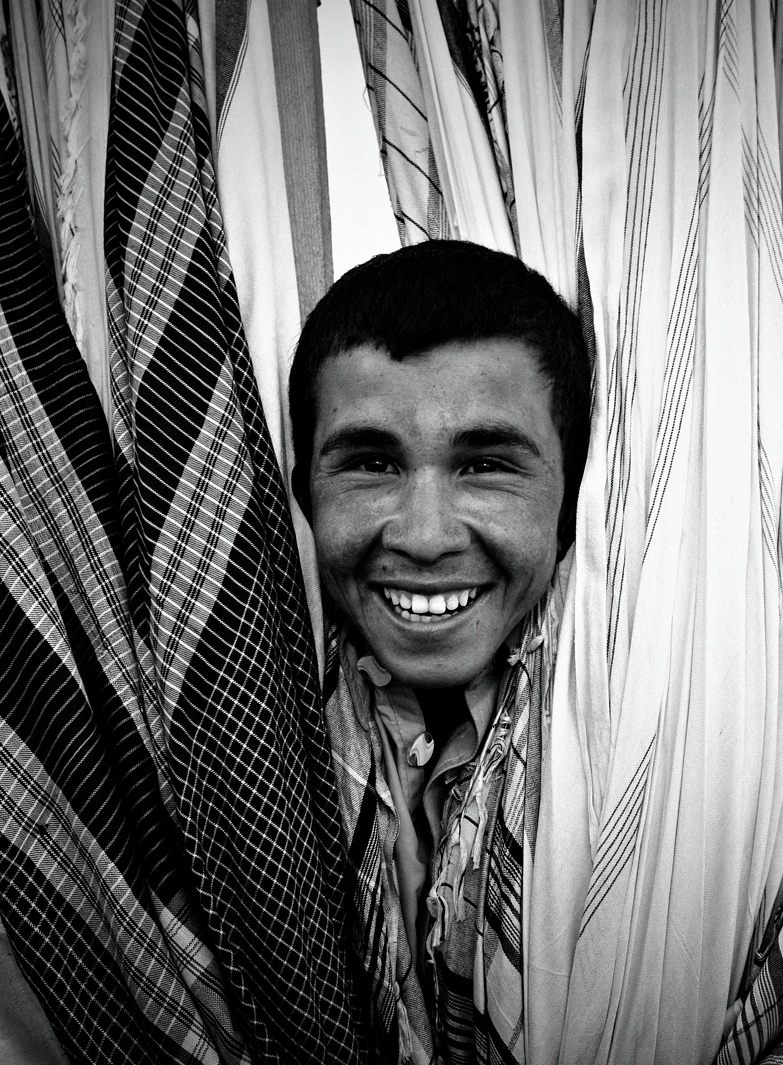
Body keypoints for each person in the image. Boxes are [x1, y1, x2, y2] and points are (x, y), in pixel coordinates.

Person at [290, 240, 591, 1062]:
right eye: (370, 462)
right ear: (301, 492)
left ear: (570, 505)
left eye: (487, 464)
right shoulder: (262, 747)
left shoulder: (622, 746)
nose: (423, 536)